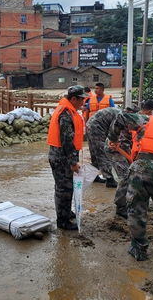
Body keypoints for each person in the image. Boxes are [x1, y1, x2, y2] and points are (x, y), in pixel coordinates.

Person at [108, 108, 153, 261]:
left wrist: (113, 139)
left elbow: (121, 117)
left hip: (143, 167)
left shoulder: (148, 120)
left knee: (137, 208)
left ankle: (139, 248)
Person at [47, 85, 87, 230]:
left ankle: (66, 212)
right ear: (74, 99)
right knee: (64, 189)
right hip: (61, 158)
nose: (83, 102)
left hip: (62, 156)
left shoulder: (69, 111)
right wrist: (73, 162)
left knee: (66, 188)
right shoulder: (65, 113)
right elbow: (66, 140)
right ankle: (62, 221)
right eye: (81, 99)